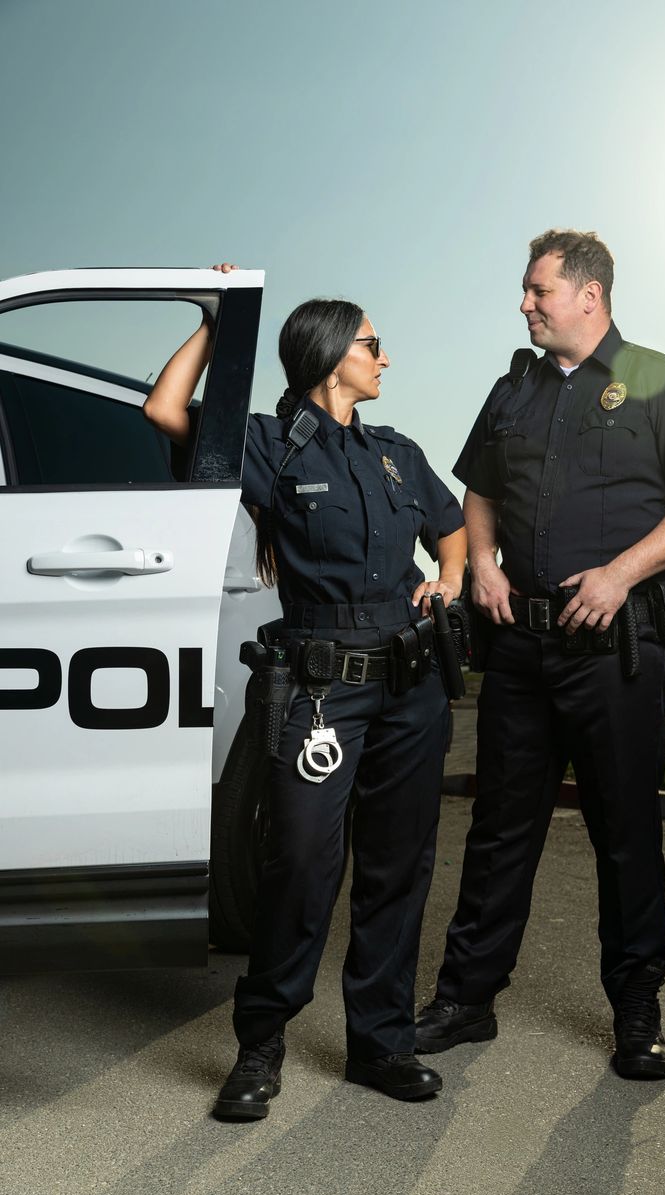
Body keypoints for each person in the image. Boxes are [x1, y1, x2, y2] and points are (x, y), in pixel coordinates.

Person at [144, 265, 466, 1115]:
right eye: (371, 343)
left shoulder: (398, 453)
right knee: (299, 868)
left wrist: (450, 579)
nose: (385, 357)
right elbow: (165, 410)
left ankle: (381, 1045)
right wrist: (218, 319)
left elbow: (454, 528)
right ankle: (260, 1049)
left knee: (398, 870)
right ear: (330, 356)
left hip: (411, 685)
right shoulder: (269, 443)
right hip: (320, 690)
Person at [415, 230, 665, 1080]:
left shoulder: (662, 379)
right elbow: (480, 491)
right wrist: (481, 561)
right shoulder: (510, 390)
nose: (524, 304)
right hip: (520, 643)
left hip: (616, 649)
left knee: (624, 828)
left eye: (537, 290)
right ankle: (465, 997)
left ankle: (636, 1009)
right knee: (499, 826)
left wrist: (624, 574)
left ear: (588, 295)